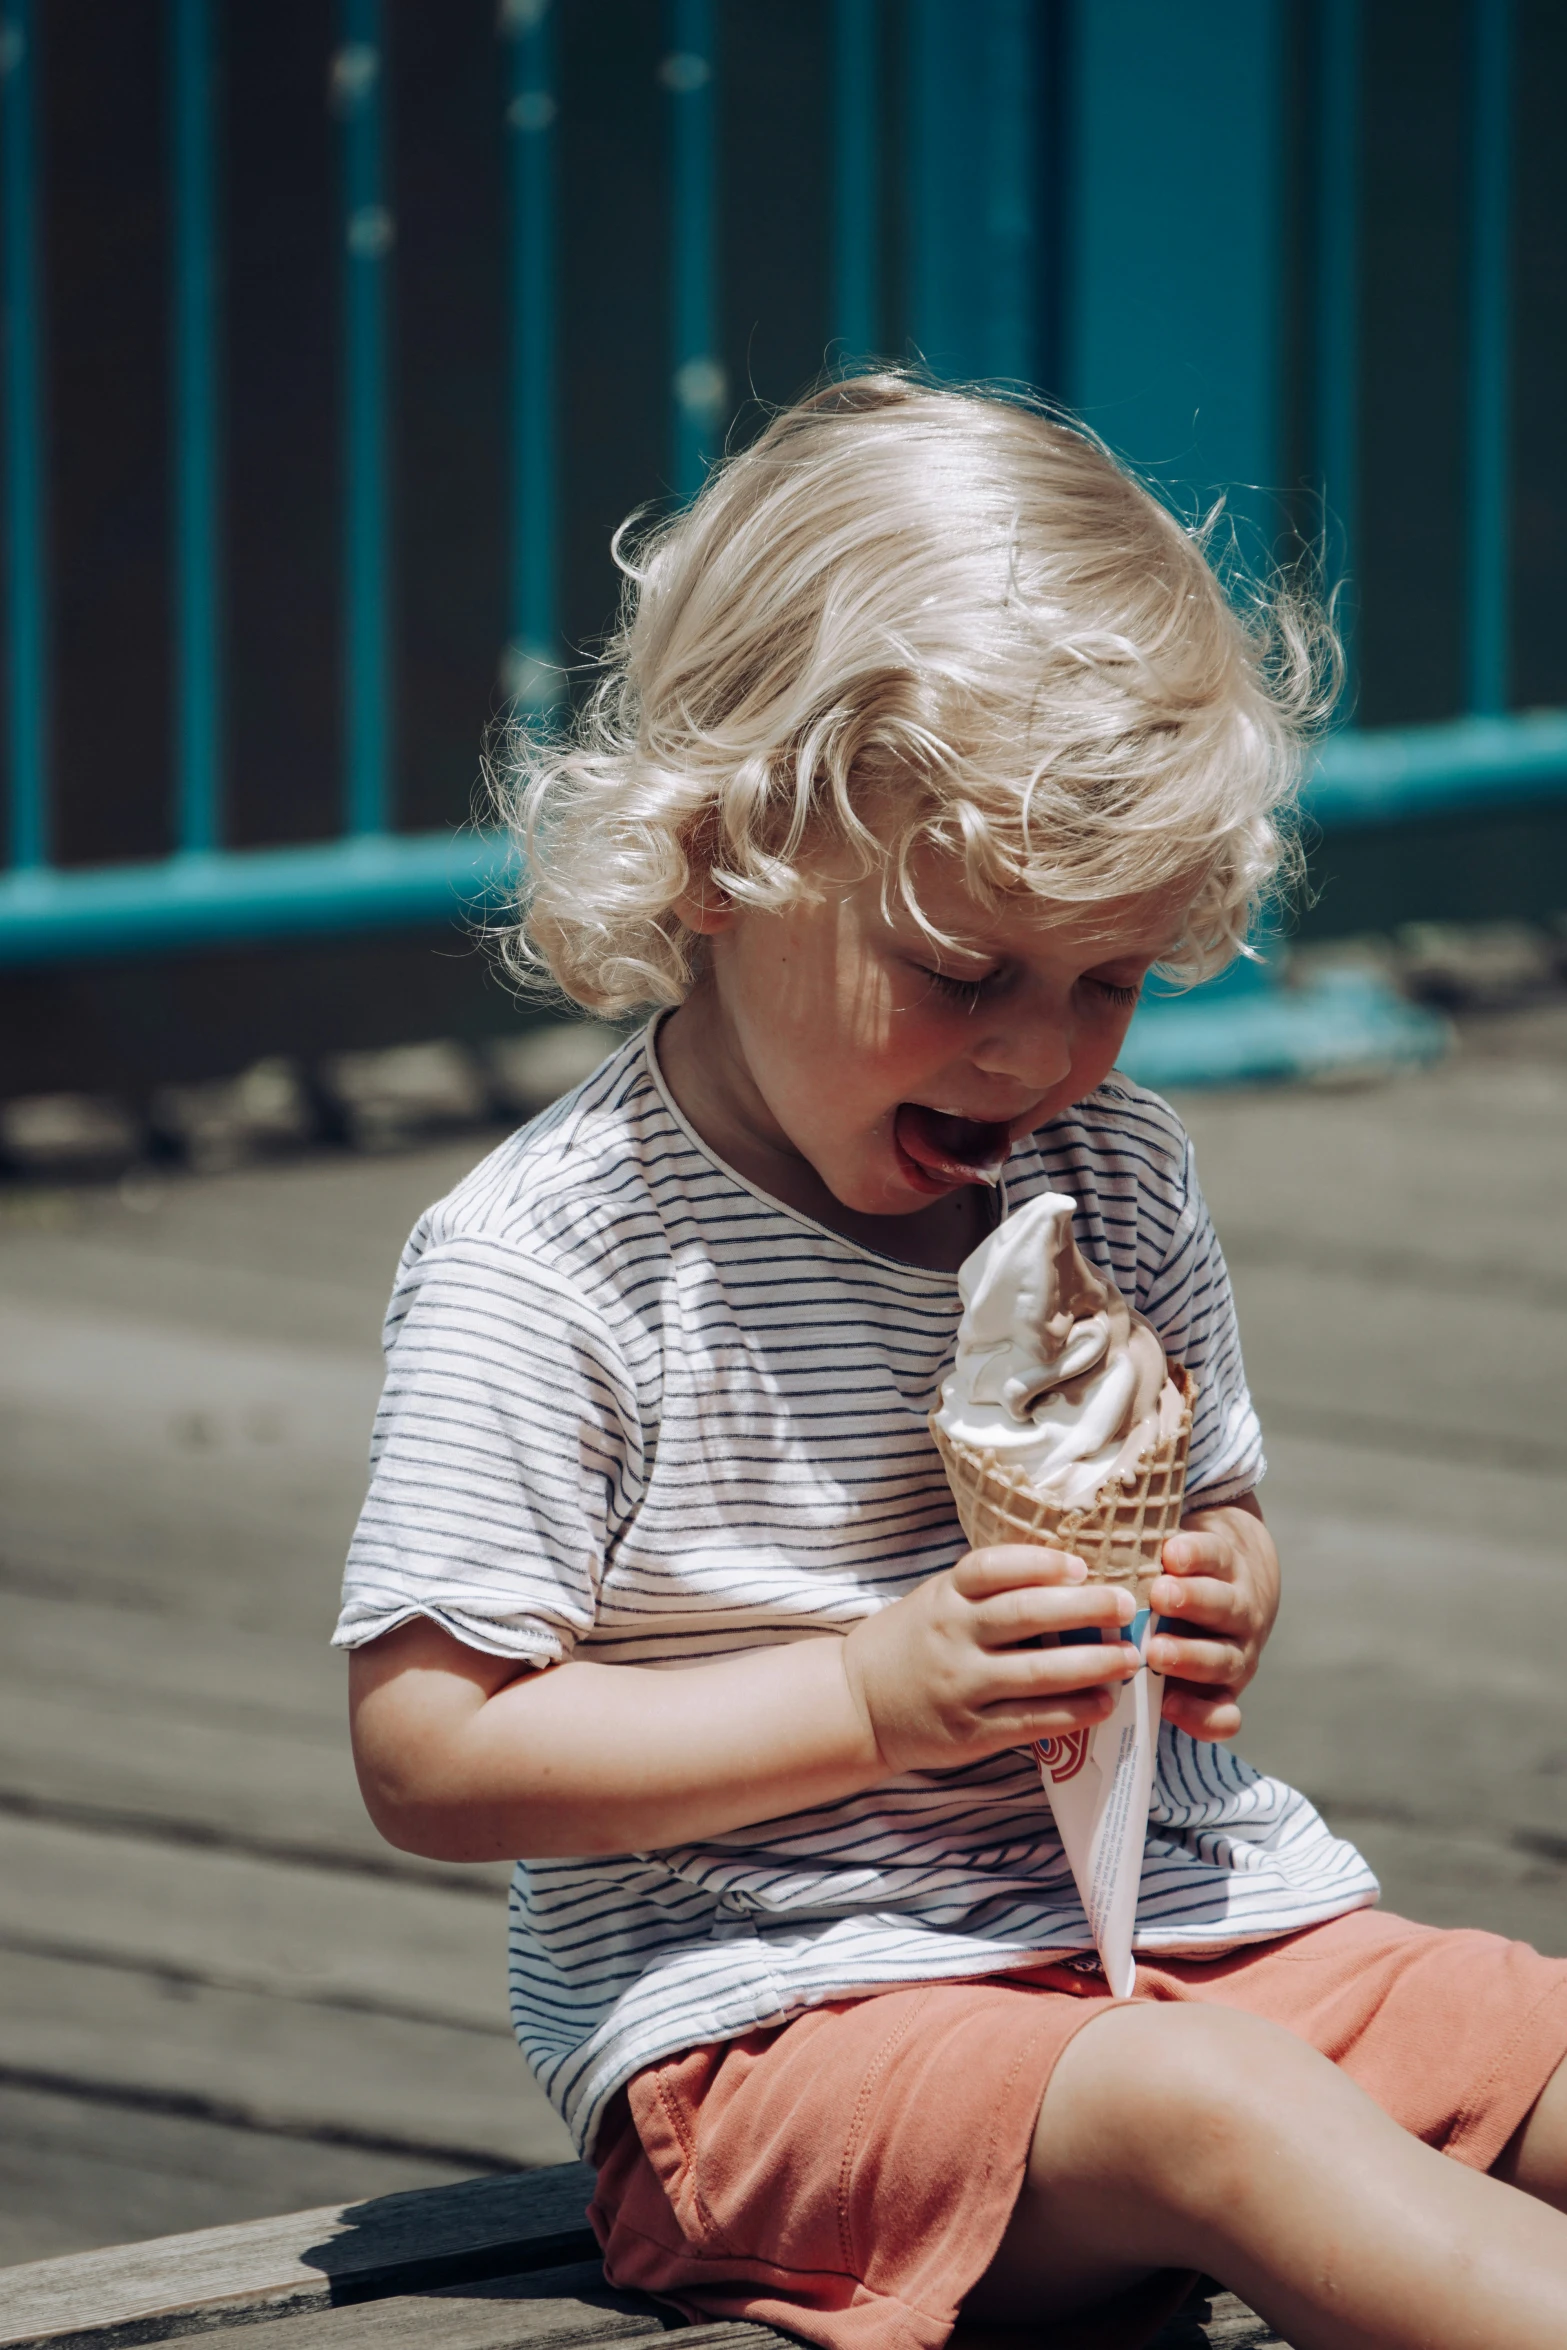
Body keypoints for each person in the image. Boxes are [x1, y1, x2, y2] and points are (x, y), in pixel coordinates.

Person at [338, 378, 1567, 2350]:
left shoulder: (1116, 1169)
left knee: (1521, 2010)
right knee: (1215, 2107)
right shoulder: (554, 1261)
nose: (1037, 1058)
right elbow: (432, 1751)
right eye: (964, 971)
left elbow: (1221, 1507)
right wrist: (865, 1691)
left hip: (1185, 1928)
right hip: (780, 2037)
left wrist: (1223, 1583)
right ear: (724, 856)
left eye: (1113, 979)